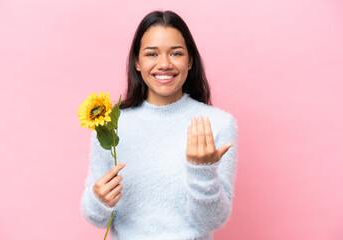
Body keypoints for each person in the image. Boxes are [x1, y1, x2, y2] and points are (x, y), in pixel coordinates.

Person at [80, 10, 238, 240]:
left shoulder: (218, 124)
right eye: (151, 54)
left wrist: (202, 172)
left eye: (176, 53)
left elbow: (213, 221)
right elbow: (96, 218)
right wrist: (99, 201)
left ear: (190, 60)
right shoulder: (110, 125)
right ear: (137, 61)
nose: (164, 64)